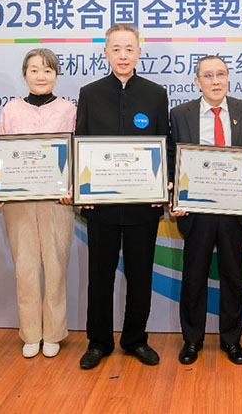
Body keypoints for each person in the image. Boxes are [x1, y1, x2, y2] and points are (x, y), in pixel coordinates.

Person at [75, 23, 171, 370]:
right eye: (116, 49)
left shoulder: (155, 94)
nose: (123, 55)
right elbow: (80, 142)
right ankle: (98, 342)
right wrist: (81, 189)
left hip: (142, 206)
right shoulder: (90, 92)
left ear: (139, 52)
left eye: (129, 49)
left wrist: (162, 187)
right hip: (100, 205)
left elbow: (165, 145)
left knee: (140, 276)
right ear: (105, 52)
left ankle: (135, 340)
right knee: (99, 277)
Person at [169, 55, 242, 366]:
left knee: (233, 277)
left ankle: (232, 340)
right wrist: (174, 197)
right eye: (208, 75)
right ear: (197, 81)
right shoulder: (180, 114)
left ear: (228, 78)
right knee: (194, 277)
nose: (215, 81)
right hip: (195, 211)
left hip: (233, 210)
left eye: (221, 74)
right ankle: (192, 340)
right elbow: (173, 159)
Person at [0, 48, 76, 358]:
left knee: (56, 268)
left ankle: (53, 333)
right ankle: (31, 333)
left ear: (56, 75)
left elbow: (76, 154)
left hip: (56, 202)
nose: (41, 76)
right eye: (34, 70)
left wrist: (72, 189)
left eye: (48, 70)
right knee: (25, 269)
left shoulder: (68, 110)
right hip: (19, 203)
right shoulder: (11, 109)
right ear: (24, 74)